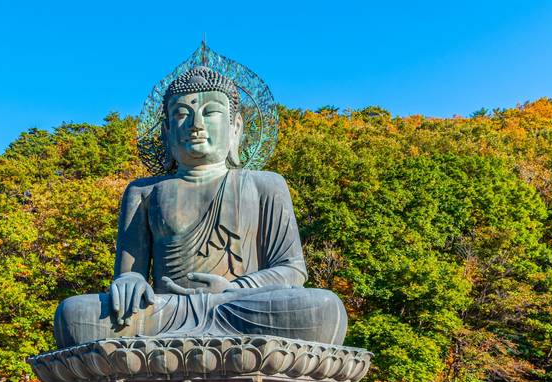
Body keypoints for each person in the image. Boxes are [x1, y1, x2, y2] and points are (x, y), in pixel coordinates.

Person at [54, 66, 346, 348]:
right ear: (167, 131)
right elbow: (131, 273)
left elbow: (291, 270)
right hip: (166, 310)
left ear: (236, 127)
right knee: (75, 314)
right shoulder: (144, 191)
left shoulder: (265, 184)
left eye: (211, 112)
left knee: (322, 308)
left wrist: (235, 289)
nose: (196, 125)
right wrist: (130, 282)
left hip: (237, 306)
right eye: (182, 114)